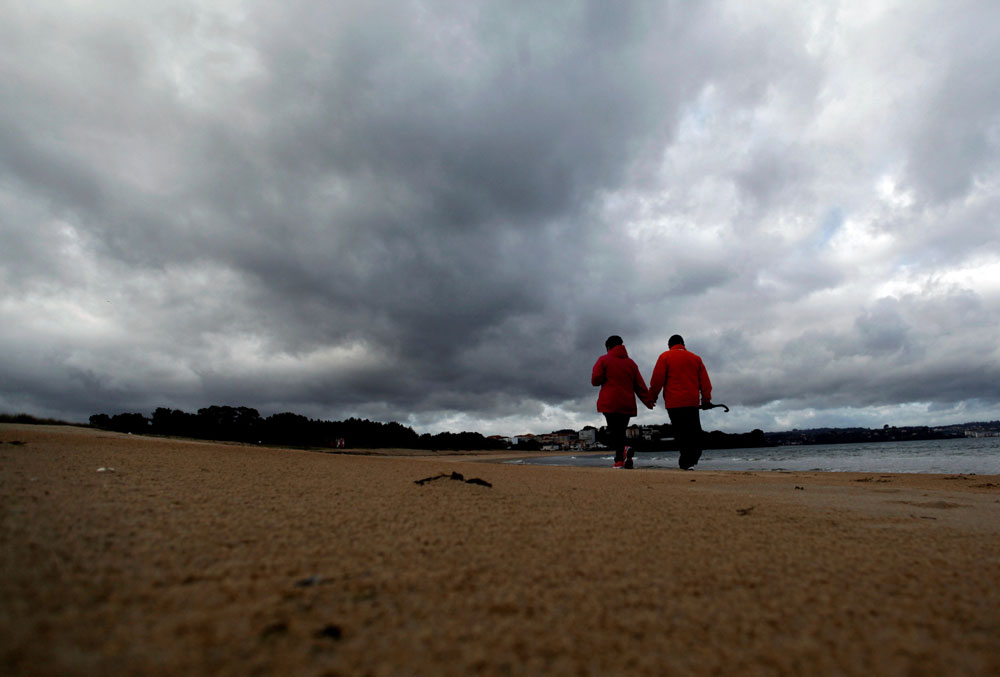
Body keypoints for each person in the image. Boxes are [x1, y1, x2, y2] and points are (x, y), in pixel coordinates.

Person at [647, 334, 712, 470]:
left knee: (681, 433)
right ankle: (690, 460)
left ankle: (686, 461)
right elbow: (705, 382)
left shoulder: (665, 357)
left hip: (674, 403)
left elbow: (657, 380)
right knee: (693, 431)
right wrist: (706, 399)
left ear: (669, 345)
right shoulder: (696, 358)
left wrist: (652, 398)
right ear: (683, 344)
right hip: (692, 402)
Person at [592, 335, 653, 469]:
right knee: (620, 431)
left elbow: (595, 380)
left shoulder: (603, 360)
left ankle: (623, 454)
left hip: (610, 402)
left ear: (608, 347)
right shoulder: (631, 363)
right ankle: (620, 460)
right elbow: (640, 385)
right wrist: (648, 401)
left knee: (615, 432)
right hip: (627, 403)